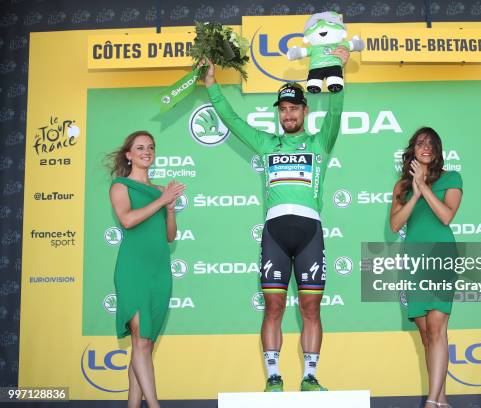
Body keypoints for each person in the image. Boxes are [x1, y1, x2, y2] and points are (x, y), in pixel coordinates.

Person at [200, 46, 349, 392]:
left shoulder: (320, 143)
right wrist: (211, 86)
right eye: (283, 109)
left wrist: (339, 69)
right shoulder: (267, 145)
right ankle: (273, 377)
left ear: (304, 110)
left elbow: (337, 112)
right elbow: (233, 122)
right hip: (275, 234)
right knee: (273, 307)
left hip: (310, 231)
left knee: (311, 309)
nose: (288, 114)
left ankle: (310, 377)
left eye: (293, 108)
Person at [107, 131, 185, 408]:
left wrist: (171, 208)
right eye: (139, 147)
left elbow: (169, 236)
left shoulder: (159, 191)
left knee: (144, 345)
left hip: (159, 273)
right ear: (128, 154)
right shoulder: (120, 186)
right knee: (140, 342)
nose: (146, 151)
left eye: (150, 147)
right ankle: (154, 405)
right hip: (133, 270)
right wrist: (162, 201)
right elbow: (127, 220)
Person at [390, 127, 463, 408]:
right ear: (412, 149)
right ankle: (442, 399)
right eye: (421, 143)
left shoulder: (451, 178)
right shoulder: (401, 186)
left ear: (438, 150)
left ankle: (431, 401)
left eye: (432, 143)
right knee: (425, 334)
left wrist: (425, 186)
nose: (426, 147)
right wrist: (416, 191)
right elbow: (396, 225)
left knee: (436, 327)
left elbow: (446, 216)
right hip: (413, 260)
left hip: (441, 256)